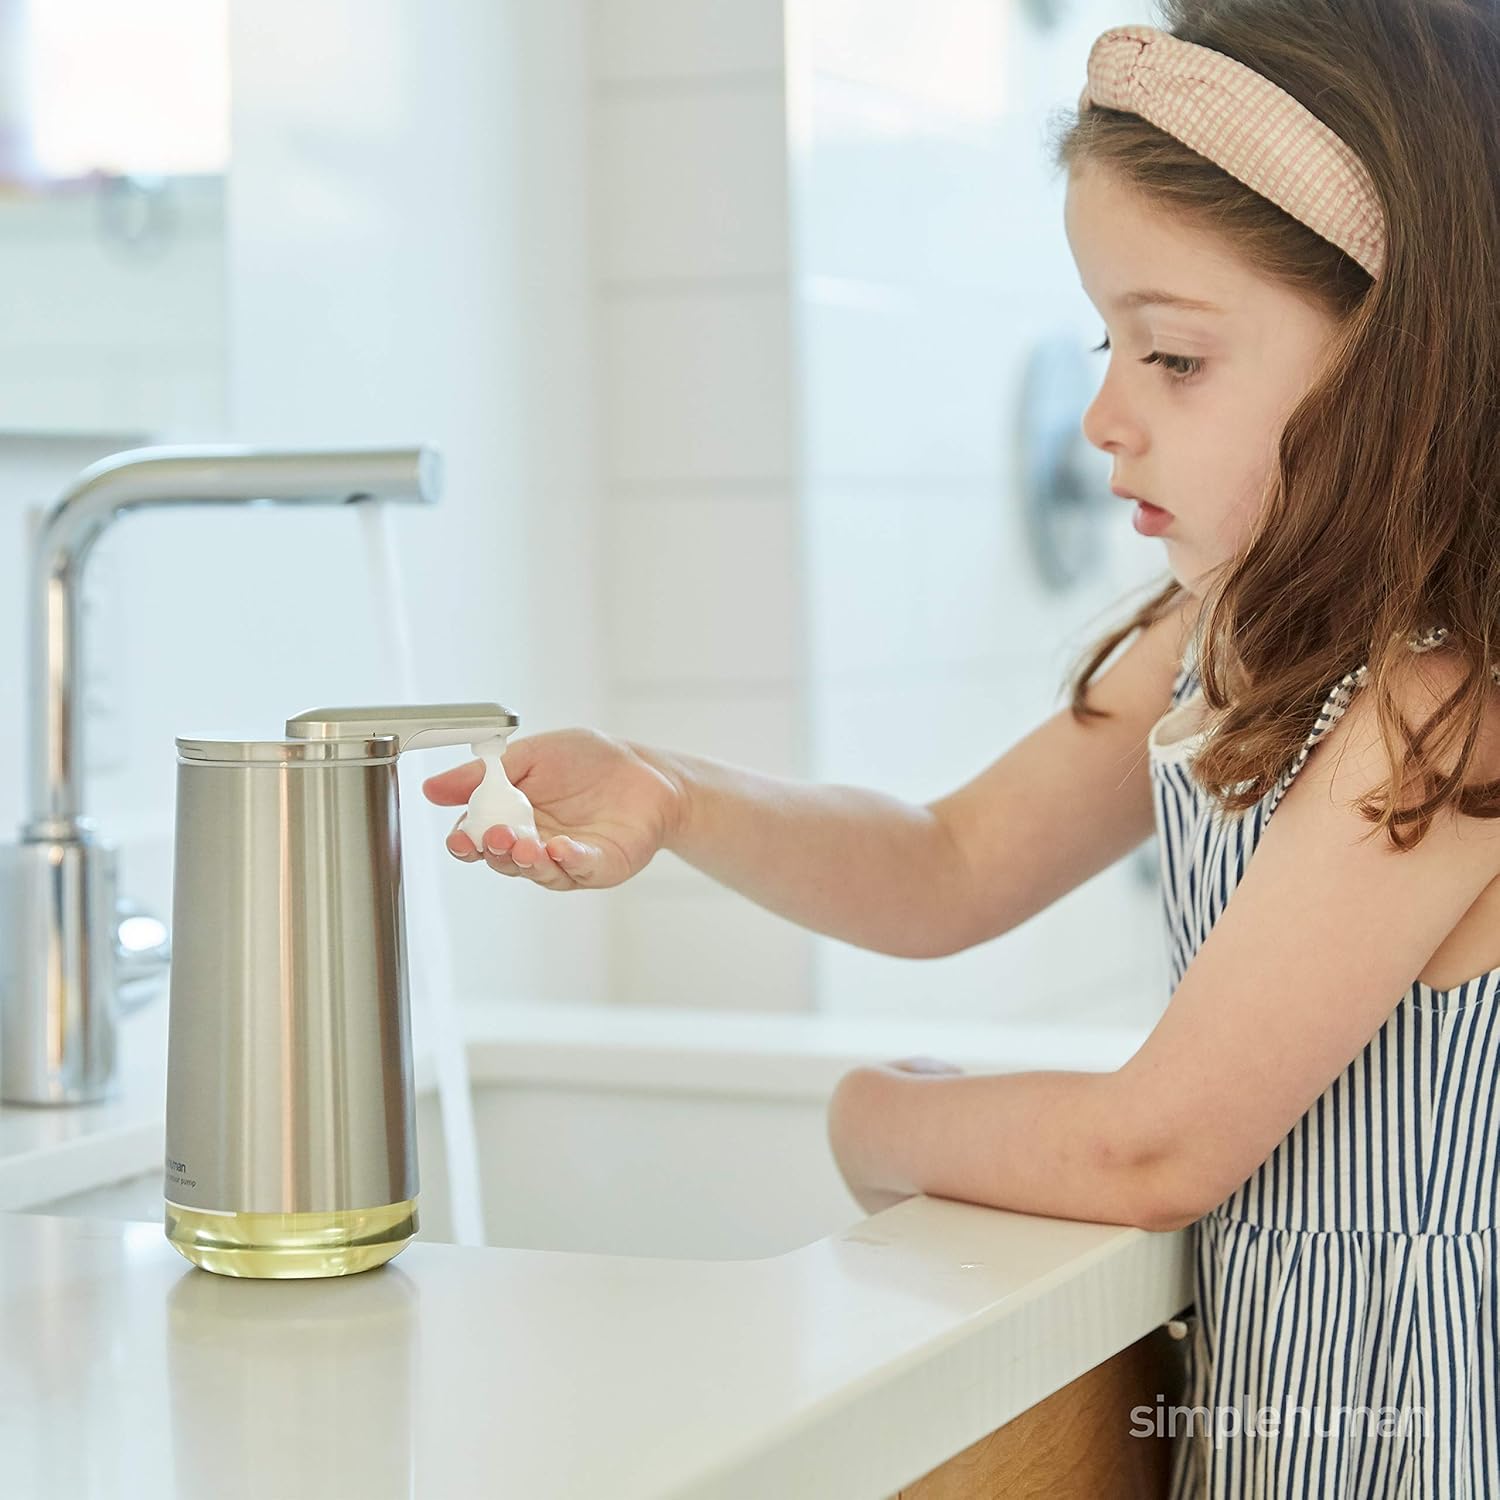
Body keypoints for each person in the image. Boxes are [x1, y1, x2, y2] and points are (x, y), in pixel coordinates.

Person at [424, 2, 1500, 1491]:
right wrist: (674, 795)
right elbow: (951, 863)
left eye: (1175, 357)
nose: (1104, 416)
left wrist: (884, 1118)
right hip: (1294, 1404)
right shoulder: (1223, 643)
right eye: (1107, 341)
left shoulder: (1443, 708)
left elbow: (1156, 1147)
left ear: (1401, 359)